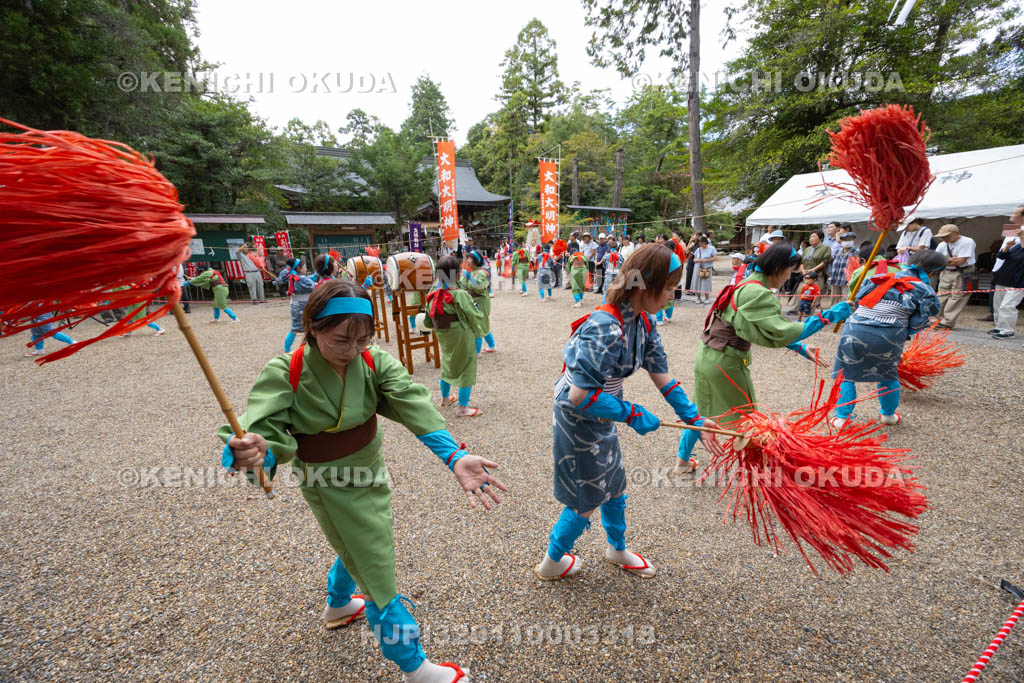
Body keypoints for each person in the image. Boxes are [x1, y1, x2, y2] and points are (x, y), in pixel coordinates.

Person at [220, 280, 503, 683]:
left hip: (370, 467)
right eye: (340, 340)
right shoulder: (286, 371)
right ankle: (414, 665)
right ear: (312, 327)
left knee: (358, 542)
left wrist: (454, 455)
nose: (352, 350)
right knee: (375, 563)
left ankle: (337, 605)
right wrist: (254, 450)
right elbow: (263, 430)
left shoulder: (372, 362)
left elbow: (410, 400)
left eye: (362, 339)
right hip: (325, 479)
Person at [536, 244, 725, 581]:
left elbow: (662, 374)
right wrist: (630, 412)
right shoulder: (604, 327)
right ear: (645, 286)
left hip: (604, 410)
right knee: (586, 495)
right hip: (578, 416)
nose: (673, 293)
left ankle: (616, 547)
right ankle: (552, 561)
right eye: (668, 287)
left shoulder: (644, 321)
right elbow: (580, 394)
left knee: (615, 482)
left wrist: (694, 418)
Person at [675, 244, 853, 472]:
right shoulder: (758, 293)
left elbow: (750, 327)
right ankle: (762, 475)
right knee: (750, 422)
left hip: (707, 357)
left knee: (699, 411)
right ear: (778, 268)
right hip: (727, 363)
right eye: (789, 271)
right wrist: (832, 314)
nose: (790, 277)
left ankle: (682, 462)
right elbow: (780, 332)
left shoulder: (744, 284)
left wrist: (799, 347)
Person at [831, 249, 946, 427]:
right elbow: (924, 316)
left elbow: (859, 299)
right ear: (933, 272)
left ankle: (842, 418)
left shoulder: (879, 278)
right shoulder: (923, 289)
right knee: (888, 374)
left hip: (855, 328)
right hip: (889, 334)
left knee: (846, 375)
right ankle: (888, 415)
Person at [422, 256, 488, 418]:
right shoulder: (459, 294)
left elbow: (428, 320)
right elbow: (474, 315)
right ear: (457, 274)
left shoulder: (432, 293)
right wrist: (477, 329)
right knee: (467, 365)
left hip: (443, 333)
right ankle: (463, 408)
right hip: (460, 334)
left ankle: (445, 398)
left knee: (448, 361)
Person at [934, 224, 977, 329]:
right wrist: (951, 260)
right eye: (942, 236)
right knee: (941, 295)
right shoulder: (942, 244)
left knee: (957, 297)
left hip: (963, 272)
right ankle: (935, 319)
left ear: (956, 233)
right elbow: (935, 260)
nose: (943, 238)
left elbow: (961, 261)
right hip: (946, 272)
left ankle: (947, 322)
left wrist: (945, 260)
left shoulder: (967, 242)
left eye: (946, 236)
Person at [990, 222, 1024, 339]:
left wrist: (1022, 236)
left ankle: (1007, 330)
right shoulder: (1017, 246)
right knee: (998, 304)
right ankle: (999, 326)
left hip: (1017, 282)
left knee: (1007, 306)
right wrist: (1007, 247)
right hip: (1003, 279)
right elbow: (1001, 256)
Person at [274, 258, 314, 351]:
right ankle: (309, 347)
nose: (306, 269)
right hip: (303, 306)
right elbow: (313, 285)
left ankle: (287, 348)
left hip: (295, 305)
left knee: (295, 328)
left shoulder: (292, 277)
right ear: (298, 269)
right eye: (304, 267)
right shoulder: (301, 279)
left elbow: (309, 280)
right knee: (310, 326)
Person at [460, 251, 497, 352]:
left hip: (481, 302)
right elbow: (462, 287)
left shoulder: (481, 272)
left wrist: (470, 278)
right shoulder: (470, 272)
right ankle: (492, 346)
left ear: (476, 261)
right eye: (467, 258)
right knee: (482, 324)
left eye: (470, 259)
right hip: (472, 301)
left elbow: (480, 287)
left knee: (478, 326)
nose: (467, 261)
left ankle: (476, 352)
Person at [827, 230, 859, 299]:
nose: (846, 241)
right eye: (844, 240)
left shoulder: (856, 252)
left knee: (845, 299)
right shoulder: (838, 251)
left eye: (849, 239)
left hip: (847, 280)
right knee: (834, 299)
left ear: (853, 240)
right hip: (835, 278)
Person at [692, 235, 717, 304]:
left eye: (702, 243)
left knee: (706, 283)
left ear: (705, 242)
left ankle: (707, 297)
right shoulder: (698, 249)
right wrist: (697, 260)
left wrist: (705, 260)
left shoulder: (712, 248)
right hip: (697, 267)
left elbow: (715, 257)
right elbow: (694, 259)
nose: (701, 245)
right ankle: (698, 297)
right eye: (699, 243)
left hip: (707, 268)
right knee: (697, 282)